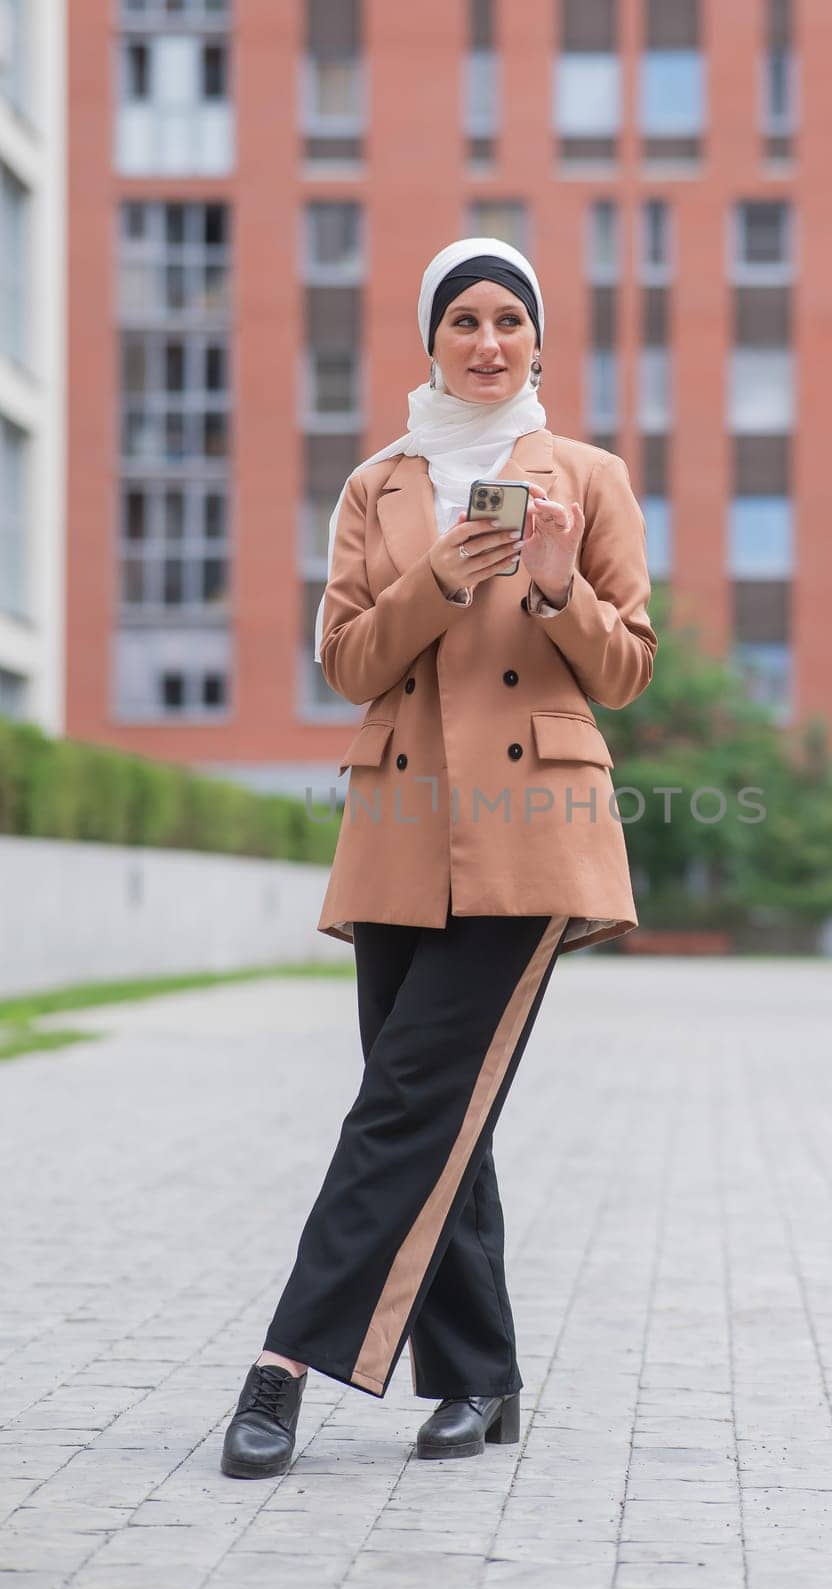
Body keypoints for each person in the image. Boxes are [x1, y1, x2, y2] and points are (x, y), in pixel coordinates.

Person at [220, 236, 657, 1475]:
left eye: (506, 319)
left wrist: (563, 585)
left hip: (531, 840)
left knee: (404, 1104)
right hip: (402, 834)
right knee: (436, 1114)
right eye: (461, 319)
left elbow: (626, 671)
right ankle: (481, 1381)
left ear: (536, 339)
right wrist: (436, 580)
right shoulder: (378, 484)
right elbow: (349, 662)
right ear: (430, 341)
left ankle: (281, 1367)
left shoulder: (585, 473)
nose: (485, 340)